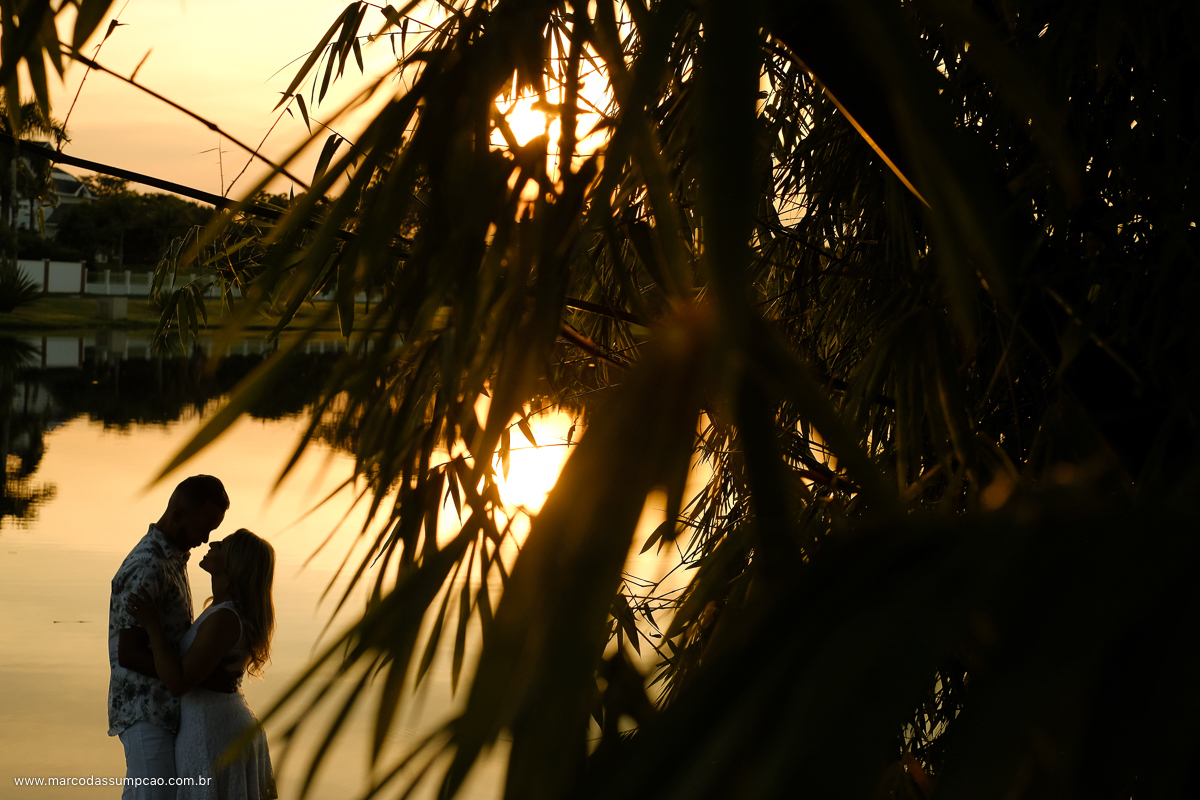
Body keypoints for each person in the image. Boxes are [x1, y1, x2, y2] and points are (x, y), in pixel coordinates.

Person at [128, 528, 278, 800]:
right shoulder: (221, 611)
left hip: (212, 731)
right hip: (212, 722)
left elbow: (178, 682)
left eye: (224, 544)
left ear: (235, 563)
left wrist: (153, 626)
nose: (214, 542)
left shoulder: (225, 618)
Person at [109, 474, 230, 800]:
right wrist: (186, 677)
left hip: (164, 712)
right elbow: (129, 653)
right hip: (145, 712)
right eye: (203, 528)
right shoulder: (147, 565)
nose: (206, 539)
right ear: (178, 515)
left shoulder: (171, 559)